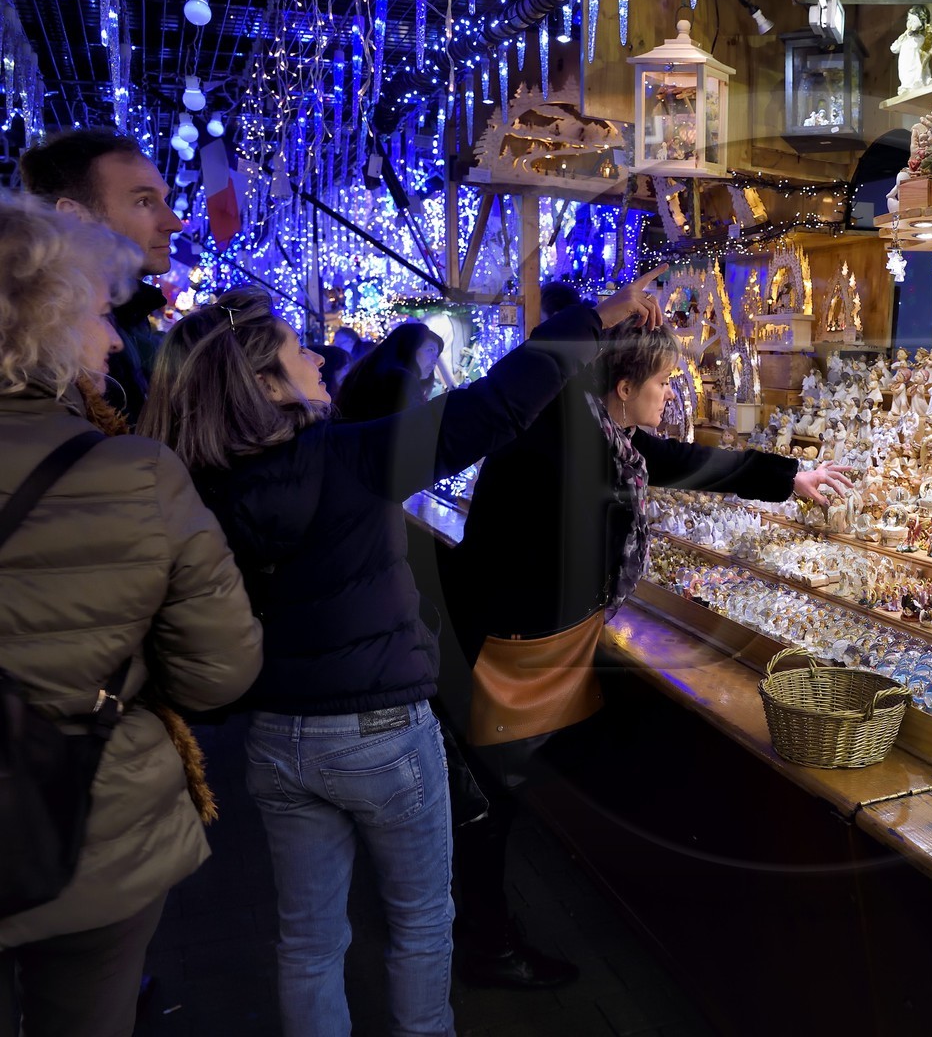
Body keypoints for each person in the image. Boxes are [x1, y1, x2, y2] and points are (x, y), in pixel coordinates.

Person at [138, 268, 667, 1037]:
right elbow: (497, 403)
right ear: (266, 384)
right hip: (383, 727)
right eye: (298, 351)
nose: (319, 358)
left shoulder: (199, 485)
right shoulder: (347, 460)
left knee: (309, 939)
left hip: (277, 737)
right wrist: (601, 316)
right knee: (422, 921)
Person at [445, 317, 850, 986]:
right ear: (625, 385)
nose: (669, 396)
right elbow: (522, 549)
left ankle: (480, 925)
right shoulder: (561, 446)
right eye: (661, 383)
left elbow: (682, 462)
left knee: (500, 789)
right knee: (493, 797)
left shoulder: (600, 434)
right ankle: (486, 944)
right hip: (514, 641)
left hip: (527, 638)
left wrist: (790, 478)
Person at [0, 195, 262, 1035]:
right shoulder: (133, 473)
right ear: (42, 325)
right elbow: (220, 671)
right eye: (100, 317)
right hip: (88, 833)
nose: (115, 340)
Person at [20, 130, 184, 424]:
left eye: (164, 200)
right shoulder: (44, 342)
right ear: (72, 216)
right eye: (144, 202)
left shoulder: (129, 320)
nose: (174, 223)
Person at [335, 320, 448, 421]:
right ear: (409, 347)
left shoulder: (372, 372)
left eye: (436, 354)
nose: (435, 360)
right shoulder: (398, 380)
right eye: (430, 350)